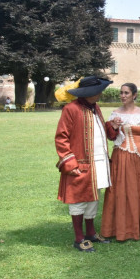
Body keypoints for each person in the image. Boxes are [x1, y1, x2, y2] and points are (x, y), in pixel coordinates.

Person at [55, 76, 117, 252]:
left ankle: (90, 233)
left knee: (94, 198)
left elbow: (100, 131)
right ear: (89, 93)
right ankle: (79, 238)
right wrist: (70, 163)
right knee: (79, 201)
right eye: (97, 92)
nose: (100, 94)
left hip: (99, 162)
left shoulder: (96, 108)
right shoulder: (71, 109)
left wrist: (112, 125)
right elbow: (61, 137)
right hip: (81, 164)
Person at [101, 83, 140, 241]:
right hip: (123, 156)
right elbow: (111, 137)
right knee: (122, 191)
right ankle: (121, 228)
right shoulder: (115, 114)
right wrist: (113, 126)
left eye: (126, 93)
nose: (123, 95)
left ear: (134, 95)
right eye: (121, 93)